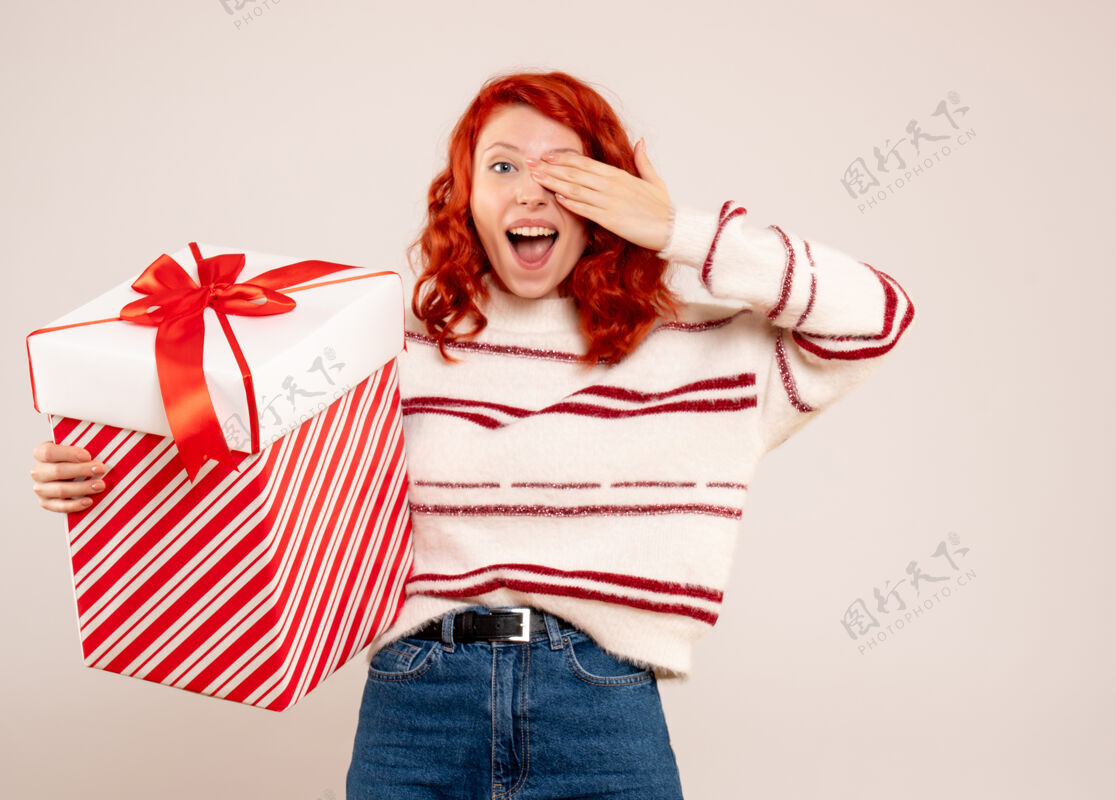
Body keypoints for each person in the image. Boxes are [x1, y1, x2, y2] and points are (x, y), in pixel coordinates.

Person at [30, 70, 916, 799]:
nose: (532, 189)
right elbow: (257, 471)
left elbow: (877, 318)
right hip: (415, 702)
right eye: (502, 166)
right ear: (464, 195)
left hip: (604, 707)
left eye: (564, 169)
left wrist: (678, 231)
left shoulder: (702, 350)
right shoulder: (396, 343)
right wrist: (114, 476)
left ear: (610, 190)